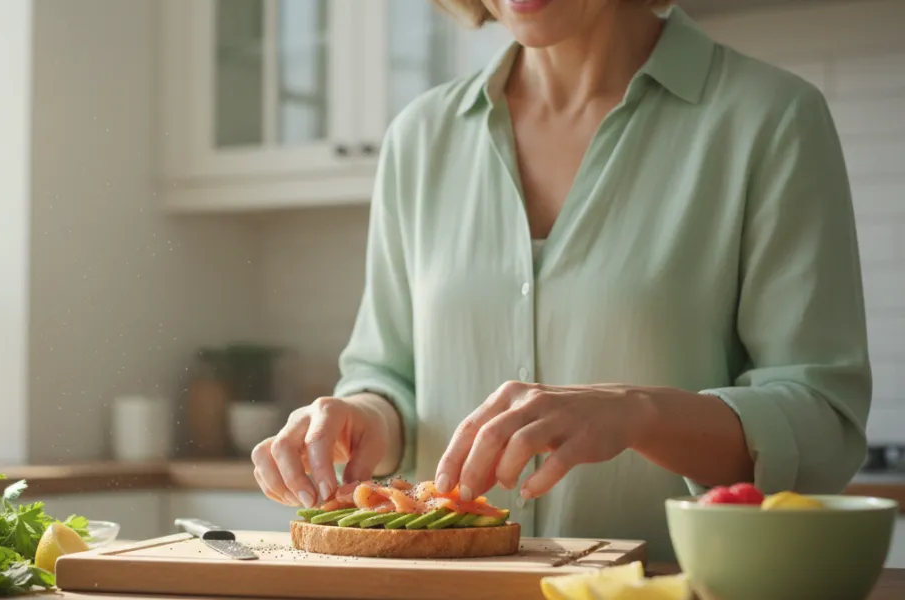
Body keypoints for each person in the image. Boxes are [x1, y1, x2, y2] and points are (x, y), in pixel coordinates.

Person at [251, 0, 871, 561]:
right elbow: (389, 376)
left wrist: (642, 414)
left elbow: (823, 427)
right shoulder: (421, 137)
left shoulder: (770, 119)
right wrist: (362, 417)